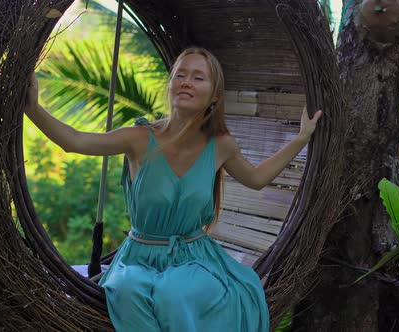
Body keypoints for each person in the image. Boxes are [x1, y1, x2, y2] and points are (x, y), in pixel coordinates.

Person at [24, 47, 322, 331]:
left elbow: (256, 179)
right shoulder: (140, 138)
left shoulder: (220, 146)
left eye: (198, 77)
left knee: (174, 293)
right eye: (180, 74)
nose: (186, 82)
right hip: (139, 258)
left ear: (214, 95)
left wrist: (300, 139)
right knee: (127, 292)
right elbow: (75, 141)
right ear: (170, 85)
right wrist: (34, 109)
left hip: (194, 258)